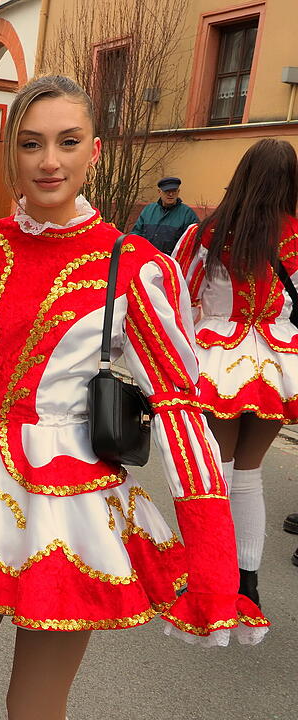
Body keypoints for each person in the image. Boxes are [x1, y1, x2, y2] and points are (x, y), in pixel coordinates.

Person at [0, 75, 268, 720]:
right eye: (31, 143)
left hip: (71, 503)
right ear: (12, 151)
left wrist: (214, 566)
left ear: (94, 150)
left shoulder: (132, 263)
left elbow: (179, 409)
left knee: (37, 706)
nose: (49, 161)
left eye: (68, 142)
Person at [172, 138, 298, 606]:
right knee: (249, 475)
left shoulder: (209, 232)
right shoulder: (297, 235)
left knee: (217, 475)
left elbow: (181, 297)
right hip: (278, 363)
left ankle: (209, 578)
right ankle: (247, 585)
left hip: (220, 360)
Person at [131, 176, 199, 254]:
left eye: (174, 191)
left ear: (178, 191)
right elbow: (136, 235)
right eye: (167, 191)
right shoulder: (148, 211)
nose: (171, 194)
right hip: (147, 258)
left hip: (172, 260)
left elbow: (194, 241)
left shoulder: (187, 214)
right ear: (159, 192)